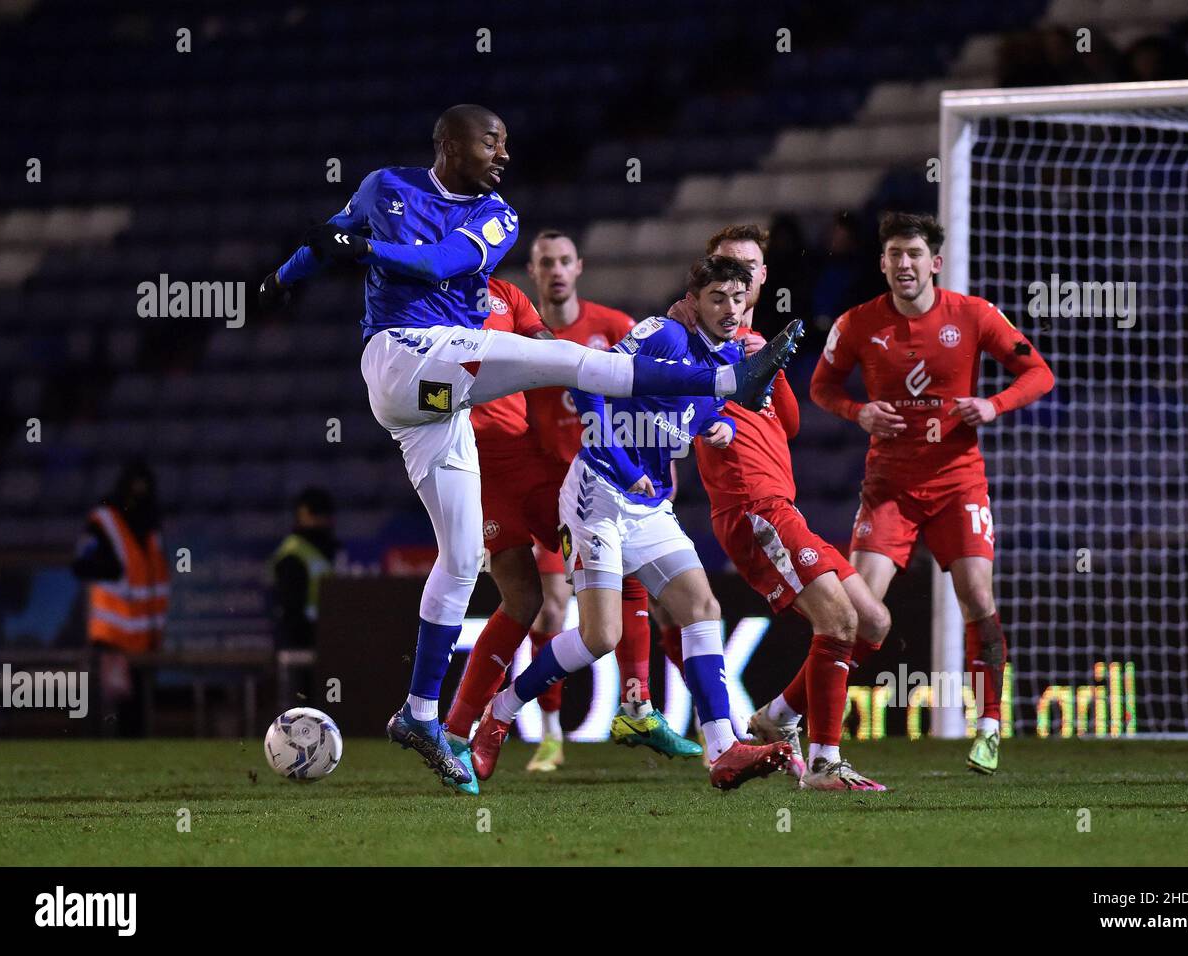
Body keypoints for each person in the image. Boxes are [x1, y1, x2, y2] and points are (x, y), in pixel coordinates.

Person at [259, 103, 802, 788]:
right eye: (492, 141)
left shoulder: (498, 216)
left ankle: (421, 714)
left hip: (435, 402)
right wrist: (277, 279)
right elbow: (327, 240)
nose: (504, 154)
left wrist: (362, 250)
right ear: (448, 142)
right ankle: (730, 377)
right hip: (400, 356)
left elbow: (439, 264)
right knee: (572, 363)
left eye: (508, 143)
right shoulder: (384, 187)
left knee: (459, 561)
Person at [471, 256, 800, 790]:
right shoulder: (663, 335)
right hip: (597, 494)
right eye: (717, 298)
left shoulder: (728, 357)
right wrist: (625, 466)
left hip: (650, 508)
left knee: (702, 607)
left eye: (738, 300)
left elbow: (693, 410)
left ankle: (723, 749)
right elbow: (586, 385)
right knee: (601, 636)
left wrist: (717, 429)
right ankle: (500, 713)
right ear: (693, 301)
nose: (729, 309)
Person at [448, 234, 699, 786]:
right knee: (532, 604)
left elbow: (649, 388)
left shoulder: (580, 318)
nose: (557, 271)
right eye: (547, 263)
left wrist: (657, 459)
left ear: (578, 267)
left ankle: (642, 709)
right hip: (490, 468)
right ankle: (459, 731)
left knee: (617, 596)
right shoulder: (448, 305)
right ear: (536, 271)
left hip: (576, 481)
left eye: (565, 261)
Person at [809, 212, 1054, 773]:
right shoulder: (856, 324)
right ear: (882, 263)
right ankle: (811, 729)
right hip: (889, 488)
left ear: (934, 263)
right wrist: (858, 410)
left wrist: (993, 404)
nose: (904, 264)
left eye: (914, 253)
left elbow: (1038, 373)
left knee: (977, 597)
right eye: (894, 254)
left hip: (957, 483)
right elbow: (822, 386)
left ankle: (989, 727)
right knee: (857, 612)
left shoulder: (972, 315)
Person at [667, 225, 891, 791]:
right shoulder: (686, 335)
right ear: (706, 276)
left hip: (781, 502)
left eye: (750, 269)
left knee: (872, 621)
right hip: (752, 505)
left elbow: (787, 425)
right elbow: (668, 397)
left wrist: (765, 364)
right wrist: (715, 400)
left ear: (762, 279)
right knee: (837, 620)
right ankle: (823, 763)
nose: (739, 280)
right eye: (728, 267)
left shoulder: (752, 339)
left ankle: (776, 718)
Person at [71, 459, 169, 737]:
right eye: (135, 486)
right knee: (109, 713)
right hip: (112, 636)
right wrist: (107, 566)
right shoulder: (103, 520)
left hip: (144, 638)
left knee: (136, 717)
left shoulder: (151, 526)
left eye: (145, 486)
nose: (140, 493)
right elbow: (81, 563)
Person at [269, 487, 339, 650]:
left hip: (325, 642)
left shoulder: (326, 551)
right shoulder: (293, 555)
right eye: (317, 513)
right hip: (301, 648)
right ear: (303, 514)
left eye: (326, 514)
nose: (324, 520)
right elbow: (290, 612)